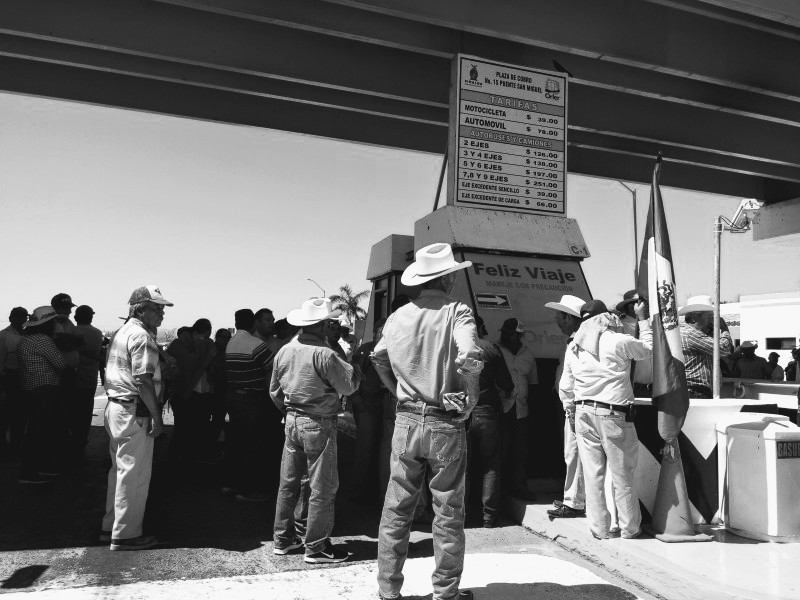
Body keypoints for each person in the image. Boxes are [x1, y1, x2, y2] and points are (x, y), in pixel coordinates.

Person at [372, 242, 482, 600]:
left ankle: (388, 591)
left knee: (397, 508)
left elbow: (377, 358)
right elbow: (470, 355)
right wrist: (471, 396)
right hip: (444, 421)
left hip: (406, 421)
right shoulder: (457, 311)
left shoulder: (398, 316)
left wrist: (397, 391)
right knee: (447, 510)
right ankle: (445, 592)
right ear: (449, 278)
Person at [270, 297, 362, 563]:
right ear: (322, 325)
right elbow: (348, 387)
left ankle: (283, 540)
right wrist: (354, 369)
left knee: (290, 484)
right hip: (318, 422)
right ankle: (317, 546)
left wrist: (290, 412)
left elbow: (274, 392)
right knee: (322, 487)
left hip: (291, 420)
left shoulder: (285, 350)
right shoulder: (325, 354)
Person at [559, 299, 651, 540]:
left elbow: (566, 387)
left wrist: (570, 413)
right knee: (623, 475)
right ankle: (630, 528)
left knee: (592, 476)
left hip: (582, 414)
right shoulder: (618, 341)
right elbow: (649, 349)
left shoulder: (573, 347)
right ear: (605, 318)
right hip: (613, 414)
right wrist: (644, 320)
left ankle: (599, 529)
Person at [100, 285, 171, 550]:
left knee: (119, 471)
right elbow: (142, 380)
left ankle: (112, 528)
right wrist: (157, 417)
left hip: (117, 407)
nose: (162, 313)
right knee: (135, 474)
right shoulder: (141, 336)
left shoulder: (123, 332)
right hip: (133, 409)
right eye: (157, 307)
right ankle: (126, 535)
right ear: (140, 309)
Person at [17, 306, 78, 484]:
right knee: (40, 431)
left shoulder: (25, 339)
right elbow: (60, 364)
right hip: (46, 389)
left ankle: (38, 467)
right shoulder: (43, 340)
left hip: (31, 388)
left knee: (38, 429)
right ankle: (29, 472)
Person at [224, 309, 277, 502]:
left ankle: (232, 483)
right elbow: (276, 365)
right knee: (252, 444)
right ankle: (249, 489)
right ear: (254, 323)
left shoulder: (232, 341)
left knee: (237, 442)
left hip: (234, 397)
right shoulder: (255, 344)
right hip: (251, 400)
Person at [544, 294, 587, 519]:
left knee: (575, 454)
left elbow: (571, 381)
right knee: (575, 455)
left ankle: (574, 502)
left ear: (569, 318)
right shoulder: (576, 340)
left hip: (577, 407)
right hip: (576, 406)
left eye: (559, 317)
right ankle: (575, 498)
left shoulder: (577, 342)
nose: (557, 322)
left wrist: (569, 409)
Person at [468, 315, 513, 528]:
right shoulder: (491, 348)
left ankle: (461, 515)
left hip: (460, 413)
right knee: (490, 464)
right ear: (480, 327)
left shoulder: (450, 346)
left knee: (461, 466)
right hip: (487, 413)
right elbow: (506, 383)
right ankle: (489, 517)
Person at [349, 318, 389, 505]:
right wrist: (358, 403)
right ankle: (357, 491)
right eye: (380, 332)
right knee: (364, 450)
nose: (382, 335)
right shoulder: (364, 351)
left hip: (385, 407)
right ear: (374, 333)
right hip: (367, 408)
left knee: (382, 450)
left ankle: (375, 489)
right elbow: (353, 378)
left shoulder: (390, 350)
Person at [497, 317, 537, 500]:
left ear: (519, 334)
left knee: (520, 450)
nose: (506, 335)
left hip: (522, 410)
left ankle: (518, 486)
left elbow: (533, 383)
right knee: (500, 450)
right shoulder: (496, 350)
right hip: (500, 409)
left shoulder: (528, 354)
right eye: (504, 332)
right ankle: (498, 489)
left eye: (510, 333)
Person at [678, 295, 733, 398]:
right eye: (709, 317)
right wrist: (724, 329)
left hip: (697, 391)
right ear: (695, 318)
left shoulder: (697, 334)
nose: (713, 321)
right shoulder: (691, 334)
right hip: (696, 391)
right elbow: (723, 349)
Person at [70, 305, 104, 458]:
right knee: (84, 417)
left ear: (76, 317)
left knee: (70, 416)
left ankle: (69, 447)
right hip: (89, 380)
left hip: (69, 380)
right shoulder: (97, 333)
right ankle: (80, 447)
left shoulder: (70, 332)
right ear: (91, 317)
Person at [0, 306, 28, 458]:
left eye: (24, 317)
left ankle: (16, 447)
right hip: (9, 379)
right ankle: (4, 449)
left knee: (21, 416)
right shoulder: (4, 336)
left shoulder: (27, 334)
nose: (21, 320)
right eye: (18, 317)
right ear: (11, 318)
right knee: (6, 417)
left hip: (23, 379)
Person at [616, 290, 653, 397]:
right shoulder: (621, 327)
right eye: (643, 302)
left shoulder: (650, 325)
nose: (646, 305)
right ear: (631, 306)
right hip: (633, 388)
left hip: (654, 389)